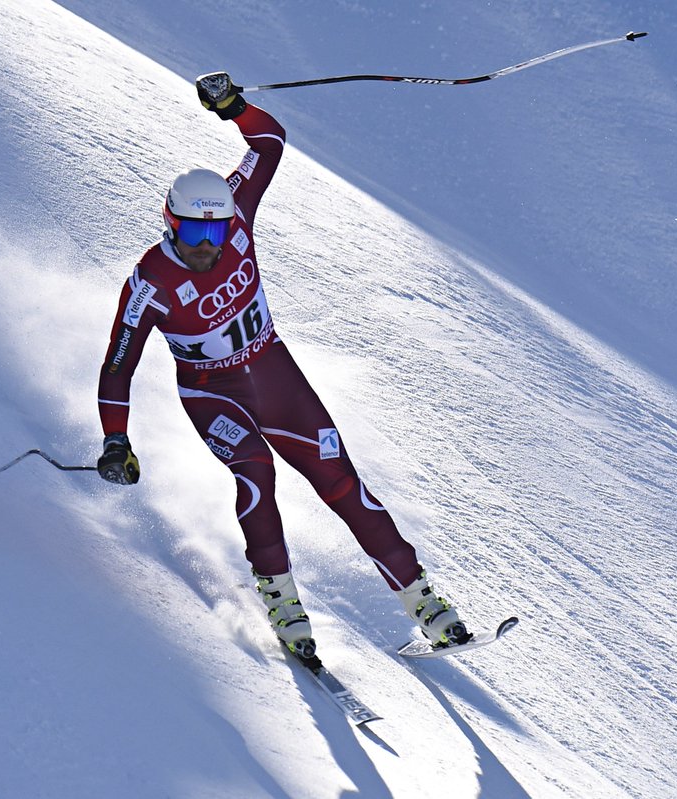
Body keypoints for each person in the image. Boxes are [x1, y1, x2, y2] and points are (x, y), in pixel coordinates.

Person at [95, 72, 468, 658]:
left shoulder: (237, 212)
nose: (205, 243)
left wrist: (234, 107)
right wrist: (115, 440)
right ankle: (282, 600)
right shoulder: (152, 281)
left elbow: (268, 143)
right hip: (212, 392)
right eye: (192, 229)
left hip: (272, 371)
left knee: (340, 479)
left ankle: (421, 597)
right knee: (256, 472)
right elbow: (119, 364)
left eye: (214, 228)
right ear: (170, 223)